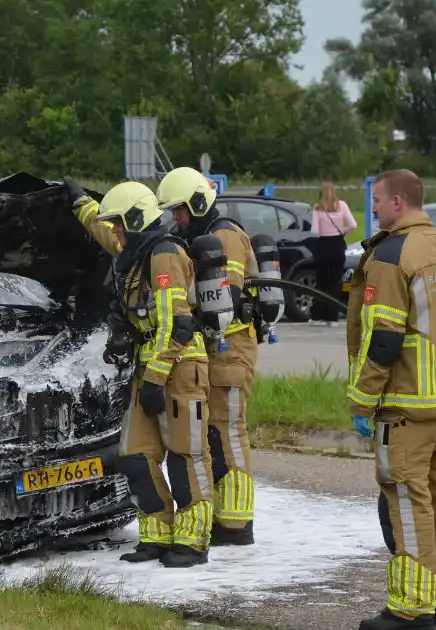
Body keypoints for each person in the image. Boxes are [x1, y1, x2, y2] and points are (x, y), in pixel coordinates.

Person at [347, 169, 436, 630]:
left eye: (379, 201)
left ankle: (410, 609)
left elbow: (383, 339)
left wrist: (364, 401)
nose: (373, 209)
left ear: (399, 203)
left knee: (407, 498)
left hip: (407, 404)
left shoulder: (391, 256)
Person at [64, 178, 214, 568]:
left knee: (185, 457)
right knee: (135, 456)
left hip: (179, 367)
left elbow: (175, 325)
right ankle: (157, 536)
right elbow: (104, 232)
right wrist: (80, 202)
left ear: (134, 218)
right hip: (149, 365)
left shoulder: (163, 255)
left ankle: (193, 542)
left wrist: (154, 379)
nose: (114, 229)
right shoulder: (134, 252)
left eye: (119, 222)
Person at [156, 166, 259, 546]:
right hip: (218, 349)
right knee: (216, 432)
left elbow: (225, 297)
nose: (176, 218)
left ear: (198, 203)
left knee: (228, 431)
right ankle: (226, 517)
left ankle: (236, 523)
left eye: (180, 210)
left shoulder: (225, 236)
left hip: (231, 348)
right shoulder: (204, 235)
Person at [309, 181, 357, 326]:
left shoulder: (318, 208)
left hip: (324, 245)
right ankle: (333, 318)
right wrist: (342, 231)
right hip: (338, 244)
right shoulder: (342, 205)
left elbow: (315, 231)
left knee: (322, 281)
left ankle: (317, 316)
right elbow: (353, 225)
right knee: (336, 281)